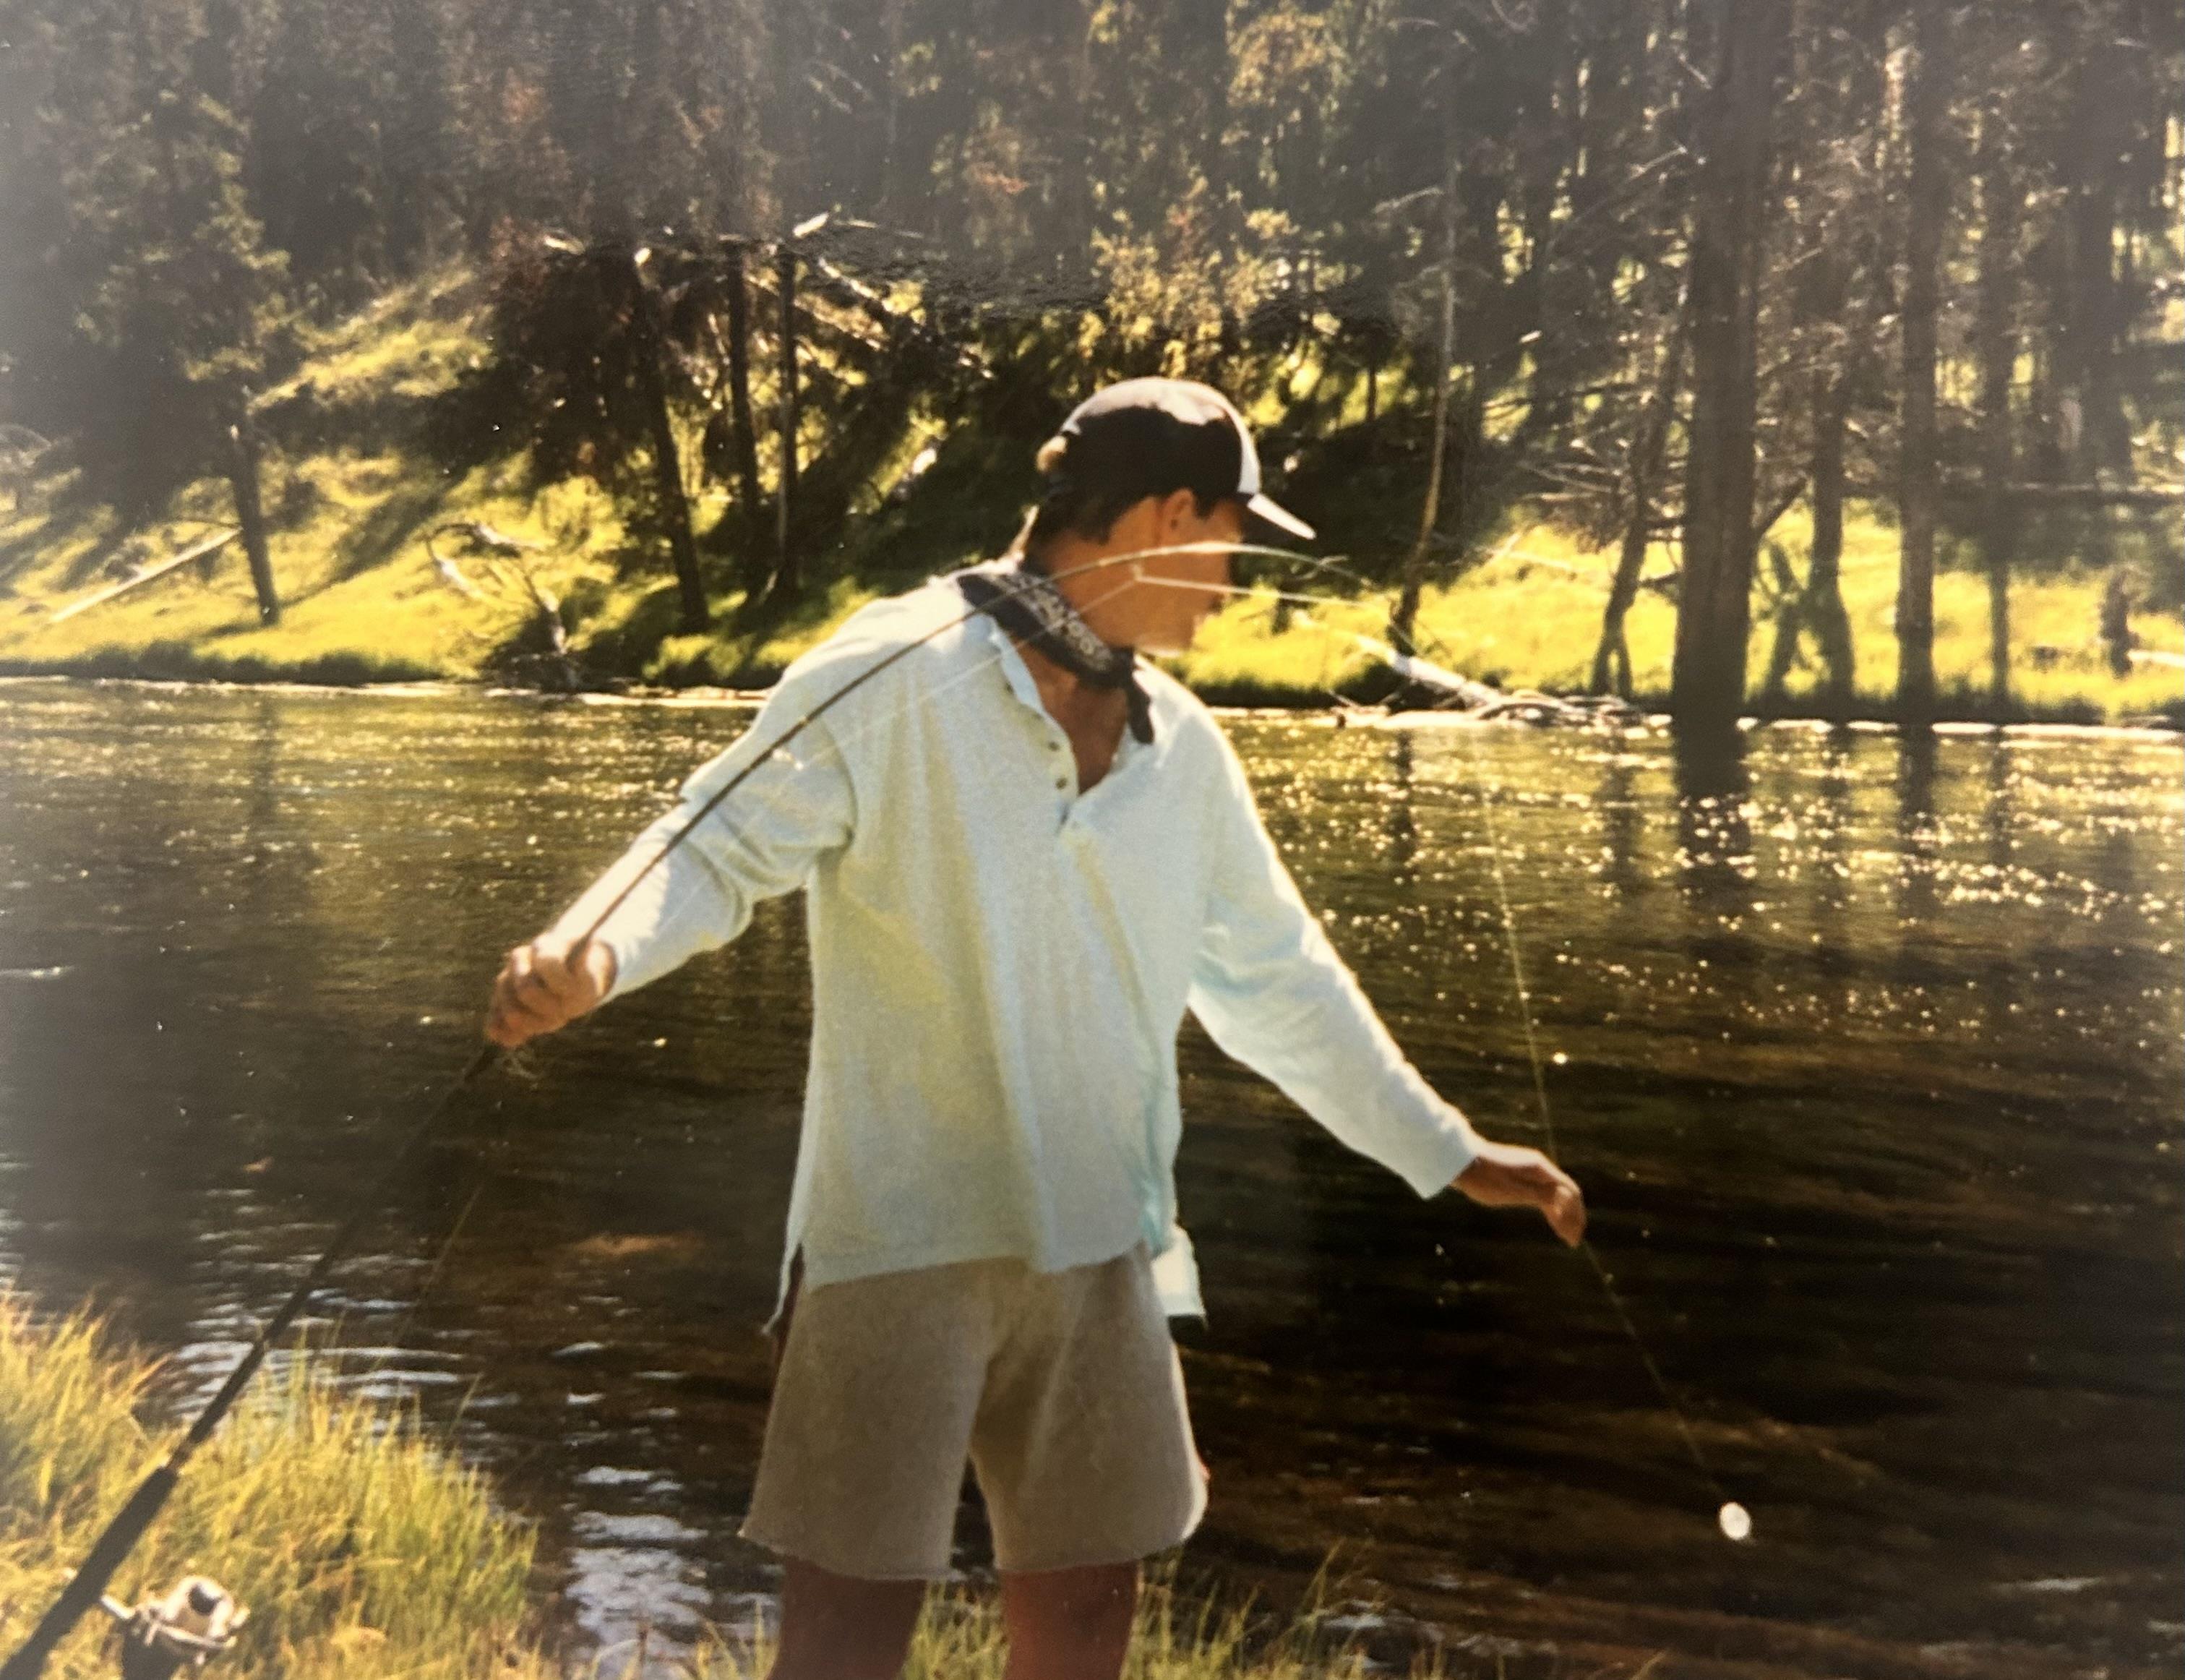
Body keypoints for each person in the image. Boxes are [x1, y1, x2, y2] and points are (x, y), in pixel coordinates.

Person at [483, 377, 1586, 1680]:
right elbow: (712, 849)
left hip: (1102, 1250)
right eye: (1230, 541)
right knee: (841, 1654)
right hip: (893, 1243)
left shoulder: (1186, 751)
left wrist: (1446, 1149)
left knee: (1082, 1651)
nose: (1233, 590)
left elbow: (1282, 983)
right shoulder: (890, 665)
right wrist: (591, 950)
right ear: (1162, 516)